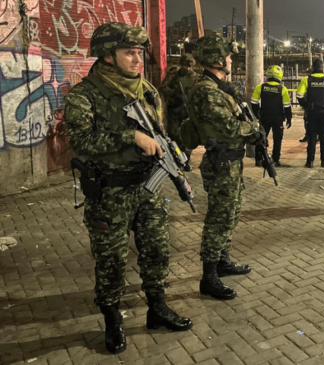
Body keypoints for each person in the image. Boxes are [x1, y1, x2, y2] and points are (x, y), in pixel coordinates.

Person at [63, 22, 192, 354]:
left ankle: (157, 308)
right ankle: (112, 320)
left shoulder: (147, 90)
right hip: (110, 193)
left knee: (157, 251)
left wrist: (172, 153)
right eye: (129, 53)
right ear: (107, 56)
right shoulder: (85, 94)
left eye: (139, 53)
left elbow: (161, 130)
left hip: (148, 190)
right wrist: (130, 136)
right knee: (111, 260)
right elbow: (79, 140)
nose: (137, 59)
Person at [188, 35, 263, 300]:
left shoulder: (219, 88)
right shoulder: (207, 91)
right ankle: (209, 276)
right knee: (219, 218)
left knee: (230, 214)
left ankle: (222, 260)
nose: (231, 60)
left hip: (230, 162)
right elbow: (228, 127)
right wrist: (253, 128)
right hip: (221, 163)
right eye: (228, 56)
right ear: (217, 59)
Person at [159, 53, 200, 157]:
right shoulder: (174, 75)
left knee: (188, 133)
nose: (186, 68)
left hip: (188, 110)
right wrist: (174, 94)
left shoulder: (195, 77)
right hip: (175, 108)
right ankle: (176, 156)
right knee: (173, 134)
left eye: (189, 66)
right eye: (184, 65)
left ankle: (186, 157)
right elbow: (163, 87)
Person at [251, 65, 292, 166]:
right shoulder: (282, 89)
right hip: (278, 118)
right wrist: (289, 118)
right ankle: (275, 159)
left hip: (264, 117)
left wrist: (257, 114)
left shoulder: (261, 87)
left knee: (261, 138)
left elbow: (253, 102)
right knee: (277, 139)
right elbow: (287, 106)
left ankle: (258, 159)